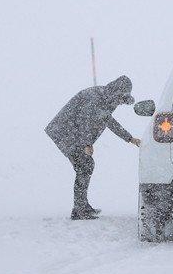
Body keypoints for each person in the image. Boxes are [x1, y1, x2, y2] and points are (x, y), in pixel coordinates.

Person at [45, 75, 141, 219]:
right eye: (121, 98)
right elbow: (84, 121)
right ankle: (79, 210)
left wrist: (130, 138)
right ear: (117, 92)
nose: (121, 103)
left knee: (85, 166)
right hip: (65, 132)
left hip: (73, 133)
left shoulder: (108, 99)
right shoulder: (96, 98)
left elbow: (109, 121)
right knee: (85, 166)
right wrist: (86, 144)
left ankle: (82, 206)